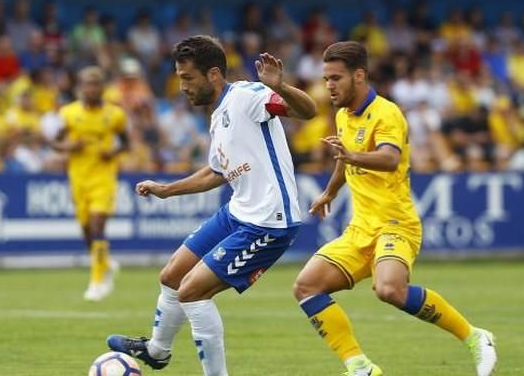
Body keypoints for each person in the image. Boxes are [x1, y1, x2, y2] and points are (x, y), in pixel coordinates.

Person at [107, 35, 316, 376]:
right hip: (238, 212)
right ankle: (157, 351)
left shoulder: (249, 96)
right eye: (179, 78)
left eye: (188, 78)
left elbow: (308, 111)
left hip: (268, 221)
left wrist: (283, 87)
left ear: (214, 74)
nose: (182, 86)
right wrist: (167, 189)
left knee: (191, 292)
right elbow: (215, 173)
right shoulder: (218, 116)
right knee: (172, 275)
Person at [292, 41, 498, 376]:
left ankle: (475, 336)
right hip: (361, 228)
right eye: (326, 78)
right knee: (306, 286)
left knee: (389, 290)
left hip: (395, 224)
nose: (328, 85)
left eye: (335, 78)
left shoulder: (387, 113)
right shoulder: (343, 114)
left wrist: (351, 156)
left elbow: (389, 159)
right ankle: (359, 366)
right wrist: (329, 193)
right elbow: (345, 161)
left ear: (359, 75)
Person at [52, 66, 129, 301]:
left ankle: (98, 281)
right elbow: (55, 142)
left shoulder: (114, 114)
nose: (91, 88)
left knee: (97, 226)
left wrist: (113, 153)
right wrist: (69, 147)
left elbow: (125, 143)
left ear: (102, 88)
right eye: (87, 84)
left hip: (103, 178)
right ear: (80, 88)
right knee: (86, 230)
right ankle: (104, 262)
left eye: (95, 84)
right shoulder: (69, 113)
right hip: (78, 178)